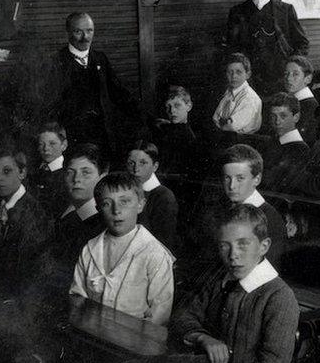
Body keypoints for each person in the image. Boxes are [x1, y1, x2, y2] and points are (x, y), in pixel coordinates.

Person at [170, 204, 299, 363]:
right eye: (225, 245)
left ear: (264, 246)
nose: (233, 255)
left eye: (243, 244)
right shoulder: (219, 278)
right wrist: (202, 337)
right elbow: (182, 315)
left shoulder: (279, 297)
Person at [69, 172, 174, 325]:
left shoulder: (154, 254)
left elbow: (160, 314)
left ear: (140, 204)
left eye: (124, 201)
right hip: (90, 334)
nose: (116, 210)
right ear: (98, 208)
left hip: (132, 342)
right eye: (107, 203)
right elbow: (77, 297)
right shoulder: (90, 249)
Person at [49, 12, 137, 151]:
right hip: (73, 139)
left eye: (89, 31)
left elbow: (120, 94)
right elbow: (51, 106)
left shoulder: (100, 58)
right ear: (68, 32)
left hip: (104, 137)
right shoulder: (54, 62)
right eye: (78, 31)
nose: (85, 37)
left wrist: (149, 119)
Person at [0, 147, 54, 297]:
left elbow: (29, 273)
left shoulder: (33, 214)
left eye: (7, 171)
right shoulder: (0, 204)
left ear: (22, 173)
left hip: (12, 293)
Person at [225, 0, 309, 94]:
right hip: (249, 81)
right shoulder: (237, 12)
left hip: (281, 80)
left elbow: (302, 44)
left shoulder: (286, 10)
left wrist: (291, 69)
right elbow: (232, 48)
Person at [217, 144, 291, 270]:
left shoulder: (271, 219)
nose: (232, 186)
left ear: (257, 179)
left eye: (240, 178)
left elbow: (267, 273)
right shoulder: (221, 209)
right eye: (227, 178)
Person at [52, 143, 108, 271]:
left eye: (85, 172)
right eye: (70, 172)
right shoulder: (67, 216)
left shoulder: (102, 224)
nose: (76, 179)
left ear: (102, 177)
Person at [126, 141, 179, 252]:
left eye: (143, 163)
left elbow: (164, 243)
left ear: (155, 166)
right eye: (131, 163)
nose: (136, 169)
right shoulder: (125, 190)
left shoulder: (163, 196)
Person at [262, 93, 311, 194]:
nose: (277, 122)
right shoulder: (271, 141)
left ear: (296, 117)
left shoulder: (300, 149)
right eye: (273, 116)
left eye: (283, 116)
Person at [150, 86, 200, 176]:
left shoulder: (189, 136)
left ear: (189, 106)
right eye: (168, 107)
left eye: (177, 105)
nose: (172, 111)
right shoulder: (165, 129)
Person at [212, 53, 262, 134]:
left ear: (248, 74)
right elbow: (215, 118)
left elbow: (231, 126)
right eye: (230, 72)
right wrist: (224, 121)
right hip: (225, 136)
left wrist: (224, 121)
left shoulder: (250, 98)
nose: (233, 76)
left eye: (238, 72)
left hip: (243, 140)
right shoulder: (230, 92)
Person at [29, 121, 70, 216]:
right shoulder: (37, 170)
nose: (46, 148)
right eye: (41, 144)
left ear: (64, 145)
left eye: (52, 144)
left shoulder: (66, 173)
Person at [283, 55, 320, 144]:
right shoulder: (289, 100)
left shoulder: (310, 105)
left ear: (308, 79)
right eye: (286, 73)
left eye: (295, 74)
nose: (288, 78)